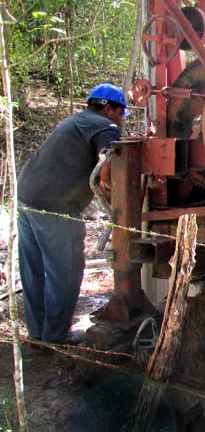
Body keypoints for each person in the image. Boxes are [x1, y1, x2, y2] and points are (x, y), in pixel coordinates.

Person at [17, 83, 128, 345]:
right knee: (64, 272)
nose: (121, 120)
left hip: (26, 197)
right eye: (121, 113)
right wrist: (119, 200)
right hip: (55, 206)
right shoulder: (104, 126)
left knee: (34, 271)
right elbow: (108, 167)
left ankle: (37, 334)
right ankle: (56, 336)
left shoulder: (77, 121)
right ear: (109, 108)